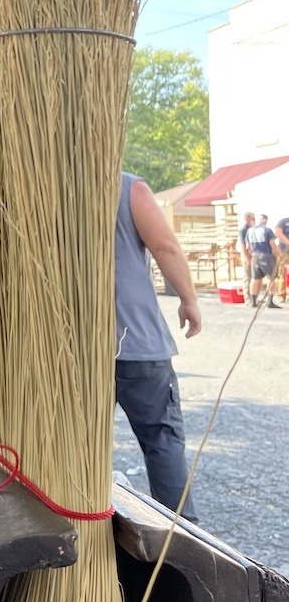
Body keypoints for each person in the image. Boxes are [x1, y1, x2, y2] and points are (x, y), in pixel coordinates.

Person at [114, 173, 202, 521]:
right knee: (161, 442)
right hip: (136, 343)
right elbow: (164, 244)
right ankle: (181, 543)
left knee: (78, 450)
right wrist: (189, 299)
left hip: (69, 353)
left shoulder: (37, 184)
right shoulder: (126, 187)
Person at [247, 213, 281, 307]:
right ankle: (269, 301)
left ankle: (253, 300)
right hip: (266, 255)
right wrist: (278, 255)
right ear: (266, 221)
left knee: (255, 278)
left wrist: (252, 255)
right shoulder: (267, 230)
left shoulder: (250, 230)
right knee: (271, 278)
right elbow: (272, 244)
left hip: (254, 255)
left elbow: (247, 246)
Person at [238, 209, 255, 303]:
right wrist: (247, 258)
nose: (254, 220)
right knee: (247, 276)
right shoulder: (244, 230)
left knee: (253, 276)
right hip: (246, 254)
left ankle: (253, 297)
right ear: (247, 219)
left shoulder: (253, 228)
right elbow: (243, 245)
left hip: (253, 253)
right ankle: (247, 298)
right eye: (252, 218)